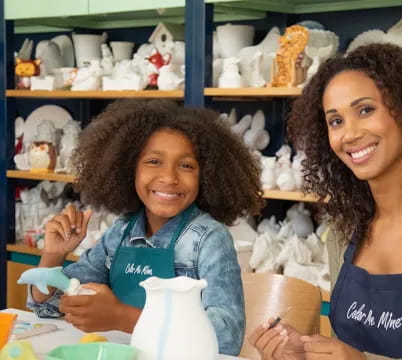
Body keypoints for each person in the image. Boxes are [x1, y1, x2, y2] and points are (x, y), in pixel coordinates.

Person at [249, 43, 402, 359]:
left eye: (366, 110)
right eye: (336, 121)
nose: (349, 134)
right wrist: (303, 350)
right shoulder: (346, 231)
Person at [28, 99, 264, 356]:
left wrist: (123, 318)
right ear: (129, 168)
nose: (169, 178)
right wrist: (53, 256)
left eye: (186, 165)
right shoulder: (120, 233)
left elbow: (227, 338)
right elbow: (50, 308)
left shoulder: (208, 240)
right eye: (153, 161)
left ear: (206, 175)